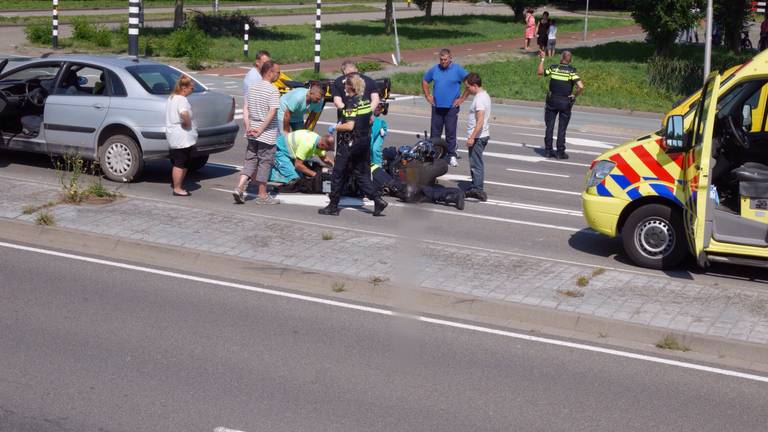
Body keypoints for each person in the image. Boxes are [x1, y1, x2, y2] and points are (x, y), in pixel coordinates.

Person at [319, 74, 387, 216]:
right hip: (363, 142)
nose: (344, 87)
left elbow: (349, 126)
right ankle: (377, 200)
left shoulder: (351, 102)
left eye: (346, 85)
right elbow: (368, 120)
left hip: (350, 143)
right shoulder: (365, 102)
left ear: (351, 87)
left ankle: (333, 206)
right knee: (361, 174)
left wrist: (335, 127)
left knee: (338, 173)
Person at [233, 60, 282, 205]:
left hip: (251, 131)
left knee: (250, 160)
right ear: (270, 72)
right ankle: (262, 195)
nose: (279, 75)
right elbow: (272, 112)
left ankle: (239, 187)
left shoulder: (253, 87)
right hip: (266, 134)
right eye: (278, 72)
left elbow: (246, 108)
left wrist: (248, 126)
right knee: (264, 163)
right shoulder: (273, 90)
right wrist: (261, 129)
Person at [421, 48, 469, 167]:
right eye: (441, 60)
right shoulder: (435, 69)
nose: (443, 62)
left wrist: (462, 98)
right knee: (435, 132)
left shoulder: (457, 69)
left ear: (450, 58)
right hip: (437, 106)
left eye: (445, 60)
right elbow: (425, 81)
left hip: (451, 108)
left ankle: (451, 155)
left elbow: (469, 83)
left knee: (450, 132)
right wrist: (428, 95)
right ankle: (433, 155)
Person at [537, 50, 584, 160]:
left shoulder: (554, 68)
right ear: (570, 60)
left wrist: (542, 59)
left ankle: (548, 151)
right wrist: (574, 95)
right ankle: (560, 152)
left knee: (550, 126)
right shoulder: (572, 71)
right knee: (562, 128)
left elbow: (540, 72)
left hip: (552, 100)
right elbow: (581, 86)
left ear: (561, 58)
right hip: (565, 102)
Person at [166, 75, 198, 197]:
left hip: (175, 134)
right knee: (180, 162)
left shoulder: (172, 98)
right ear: (184, 87)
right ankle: (177, 188)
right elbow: (183, 113)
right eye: (192, 88)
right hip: (182, 136)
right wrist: (187, 122)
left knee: (183, 161)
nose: (192, 90)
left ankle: (178, 186)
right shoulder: (181, 99)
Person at [269, 129, 335, 188]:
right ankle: (267, 172)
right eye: (326, 149)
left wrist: (335, 166)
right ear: (322, 145)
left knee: (302, 175)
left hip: (290, 153)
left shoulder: (319, 141)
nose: (326, 151)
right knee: (295, 179)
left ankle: (281, 167)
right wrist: (315, 175)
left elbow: (325, 158)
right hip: (279, 150)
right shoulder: (308, 144)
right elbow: (298, 165)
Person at [464, 72, 490, 202]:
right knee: (476, 162)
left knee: (476, 163)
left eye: (468, 87)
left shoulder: (479, 99)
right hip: (482, 135)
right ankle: (475, 185)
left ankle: (477, 189)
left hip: (478, 137)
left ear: (474, 85)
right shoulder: (485, 95)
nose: (467, 90)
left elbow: (480, 120)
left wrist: (472, 137)